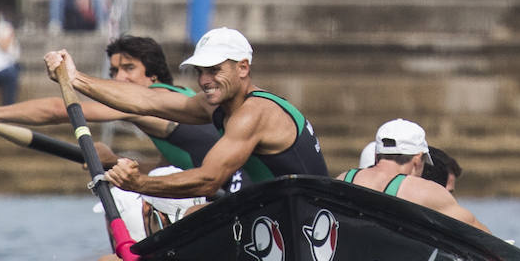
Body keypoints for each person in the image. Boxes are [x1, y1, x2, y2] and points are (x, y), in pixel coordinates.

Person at [45, 26, 327, 200]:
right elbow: (146, 101)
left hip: (314, 219)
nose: (204, 81)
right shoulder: (215, 105)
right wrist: (75, 78)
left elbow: (208, 180)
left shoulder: (255, 112)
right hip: (281, 212)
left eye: (214, 70)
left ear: (243, 68)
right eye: (200, 72)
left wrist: (139, 183)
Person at [0, 34, 226, 181]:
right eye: (114, 71)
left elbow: (59, 108)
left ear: (154, 76)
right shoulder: (184, 98)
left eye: (129, 68)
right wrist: (115, 162)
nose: (119, 78)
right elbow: (166, 168)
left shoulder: (145, 103)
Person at [339, 119, 487, 231]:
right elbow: (478, 233)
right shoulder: (422, 191)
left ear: (377, 156)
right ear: (417, 160)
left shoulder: (343, 179)